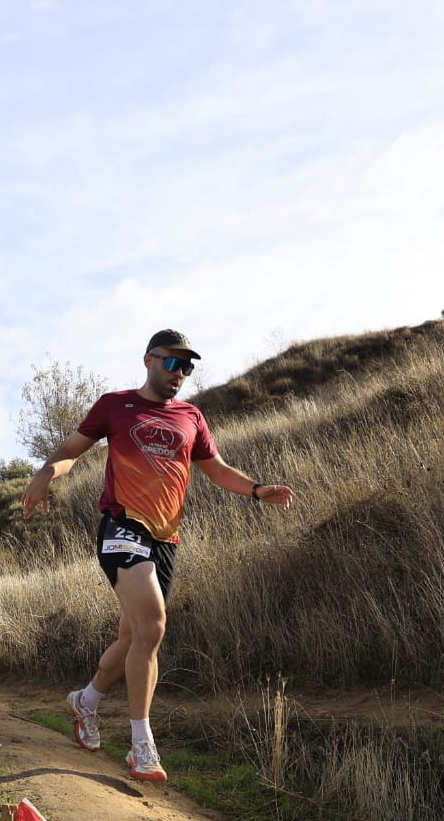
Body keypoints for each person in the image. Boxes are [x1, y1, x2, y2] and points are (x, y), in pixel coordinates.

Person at [21, 329, 294, 782]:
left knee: (133, 637)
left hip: (167, 540)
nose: (180, 374)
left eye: (188, 367)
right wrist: (46, 473)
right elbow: (72, 450)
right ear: (149, 360)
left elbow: (217, 469)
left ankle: (85, 701)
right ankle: (141, 746)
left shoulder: (192, 417)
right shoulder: (115, 405)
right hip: (122, 526)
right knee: (154, 626)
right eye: (172, 363)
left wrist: (258, 490)